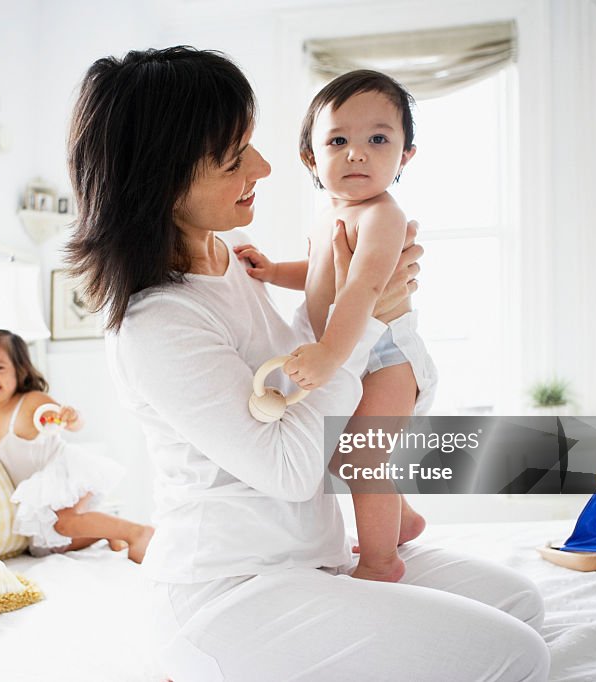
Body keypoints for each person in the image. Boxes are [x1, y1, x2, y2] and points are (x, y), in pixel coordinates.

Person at [66, 46, 549, 680]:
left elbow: (296, 364)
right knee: (514, 654)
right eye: (236, 158)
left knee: (521, 603)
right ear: (162, 176)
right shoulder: (158, 324)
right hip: (232, 587)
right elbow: (293, 468)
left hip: (312, 555)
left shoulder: (232, 254)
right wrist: (371, 316)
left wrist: (360, 301)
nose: (265, 167)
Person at [232, 69, 438, 583]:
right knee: (349, 457)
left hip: (387, 358)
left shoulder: (383, 217)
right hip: (354, 354)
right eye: (339, 140)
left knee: (362, 458)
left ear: (405, 155)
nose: (357, 153)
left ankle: (380, 562)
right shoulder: (328, 215)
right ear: (311, 158)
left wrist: (328, 354)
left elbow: (364, 290)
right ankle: (404, 520)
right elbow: (323, 276)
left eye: (378, 139)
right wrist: (274, 271)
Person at [0, 328, 154, 563]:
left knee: (64, 523)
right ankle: (108, 532)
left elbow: (66, 420)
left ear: (19, 370)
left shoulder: (32, 401)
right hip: (35, 489)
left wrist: (71, 418)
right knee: (46, 546)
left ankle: (137, 532)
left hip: (62, 473)